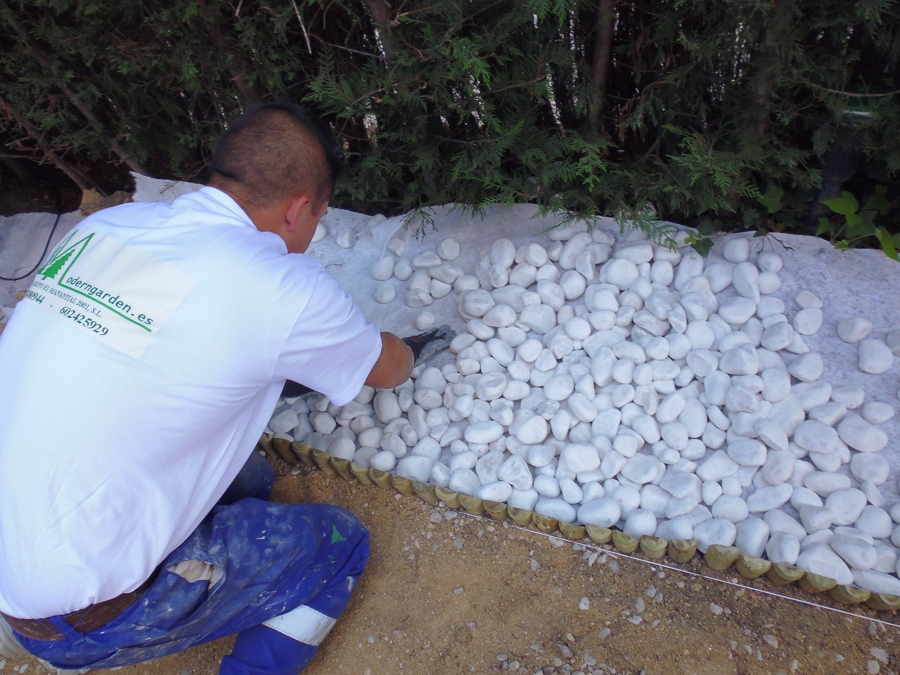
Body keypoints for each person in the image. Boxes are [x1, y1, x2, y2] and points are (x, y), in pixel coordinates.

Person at [0, 102, 452, 675]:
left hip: (14, 540)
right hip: (75, 617)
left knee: (253, 479)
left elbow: (163, 336)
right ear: (300, 209)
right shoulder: (278, 287)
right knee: (339, 545)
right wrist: (410, 349)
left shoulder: (107, 228)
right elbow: (384, 370)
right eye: (319, 221)